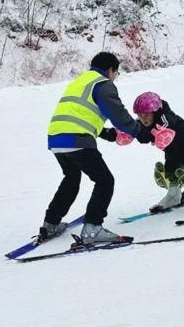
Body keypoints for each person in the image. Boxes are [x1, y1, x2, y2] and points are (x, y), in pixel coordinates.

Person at [41, 52, 153, 245]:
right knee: (105, 181)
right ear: (110, 70)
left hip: (56, 138)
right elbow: (118, 114)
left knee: (71, 178)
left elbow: (81, 113)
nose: (115, 77)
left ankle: (50, 224)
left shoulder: (80, 82)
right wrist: (140, 132)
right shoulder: (103, 84)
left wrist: (106, 133)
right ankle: (92, 228)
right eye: (116, 73)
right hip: (77, 140)